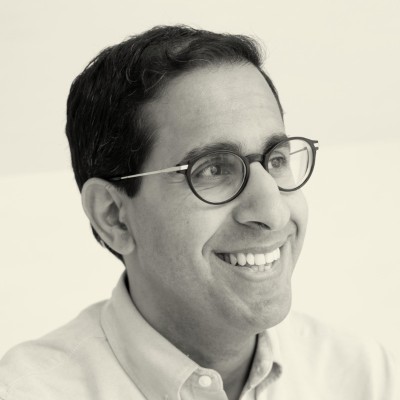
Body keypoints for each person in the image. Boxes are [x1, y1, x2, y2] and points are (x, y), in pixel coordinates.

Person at [0, 25, 396, 400]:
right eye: (213, 170)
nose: (273, 212)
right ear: (113, 216)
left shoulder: (361, 375)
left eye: (276, 159)